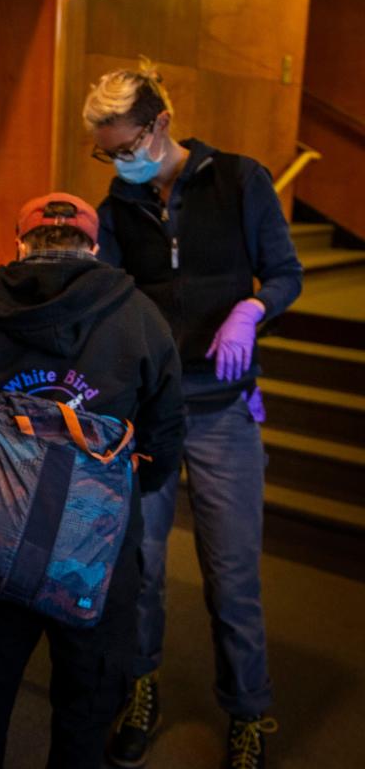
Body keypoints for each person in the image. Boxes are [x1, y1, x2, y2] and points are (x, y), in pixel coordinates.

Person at [83, 59, 303, 769]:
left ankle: (249, 711)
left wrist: (251, 308)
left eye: (127, 146)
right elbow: (111, 302)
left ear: (162, 123)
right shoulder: (118, 208)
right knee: (140, 568)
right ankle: (139, 687)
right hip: (148, 418)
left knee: (231, 572)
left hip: (222, 414)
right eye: (108, 152)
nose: (121, 163)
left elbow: (286, 273)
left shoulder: (241, 180)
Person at [0, 193, 185, 769]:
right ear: (94, 247)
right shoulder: (139, 315)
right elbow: (167, 434)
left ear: (21, 244)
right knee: (85, 705)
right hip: (95, 554)